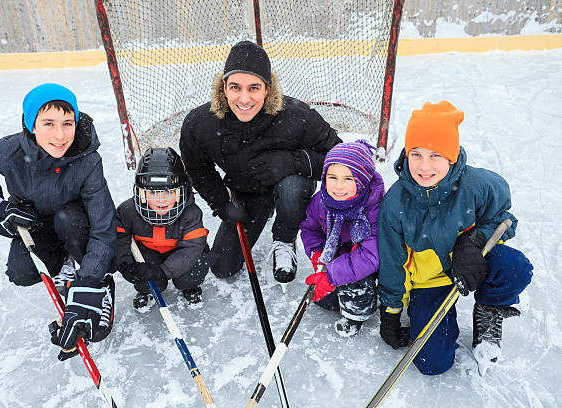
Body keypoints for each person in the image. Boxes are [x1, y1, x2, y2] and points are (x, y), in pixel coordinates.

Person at [377, 100, 533, 375]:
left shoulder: (478, 185)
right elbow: (392, 264)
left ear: (451, 156)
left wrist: (472, 241)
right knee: (431, 363)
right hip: (430, 281)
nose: (424, 166)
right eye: (416, 154)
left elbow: (506, 220)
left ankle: (489, 311)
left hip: (476, 262)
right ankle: (429, 316)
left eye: (435, 155)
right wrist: (390, 312)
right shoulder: (395, 203)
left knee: (514, 267)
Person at [0, 83, 116, 361]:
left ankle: (98, 279)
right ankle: (63, 265)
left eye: (67, 123)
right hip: (36, 224)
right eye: (48, 123)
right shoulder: (7, 151)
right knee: (21, 273)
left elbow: (104, 227)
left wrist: (91, 283)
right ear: (31, 124)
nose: (60, 135)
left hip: (76, 223)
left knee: (69, 220)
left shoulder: (88, 160)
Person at [179, 40, 342, 284]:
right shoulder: (200, 123)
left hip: (288, 185)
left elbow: (342, 160)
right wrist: (222, 204)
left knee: (293, 187)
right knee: (223, 267)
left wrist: (293, 161)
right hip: (247, 192)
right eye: (236, 87)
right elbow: (197, 169)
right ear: (224, 87)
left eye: (254, 88)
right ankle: (263, 211)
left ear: (267, 89)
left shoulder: (298, 116)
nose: (244, 99)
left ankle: (285, 239)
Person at [299, 140, 384, 337]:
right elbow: (310, 229)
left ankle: (355, 315)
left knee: (358, 285)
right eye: (332, 177)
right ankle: (339, 289)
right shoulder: (320, 201)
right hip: (337, 254)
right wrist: (316, 253)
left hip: (365, 260)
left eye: (349, 179)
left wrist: (331, 276)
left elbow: (370, 256)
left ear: (362, 180)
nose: (338, 186)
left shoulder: (374, 208)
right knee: (324, 302)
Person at [114, 147, 213, 309]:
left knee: (192, 269)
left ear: (181, 191)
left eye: (169, 192)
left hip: (179, 252)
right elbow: (120, 238)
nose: (161, 200)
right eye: (153, 193)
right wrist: (126, 265)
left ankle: (190, 286)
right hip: (149, 253)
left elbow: (193, 247)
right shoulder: (127, 211)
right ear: (142, 193)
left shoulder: (191, 214)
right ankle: (147, 291)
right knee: (145, 276)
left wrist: (164, 271)